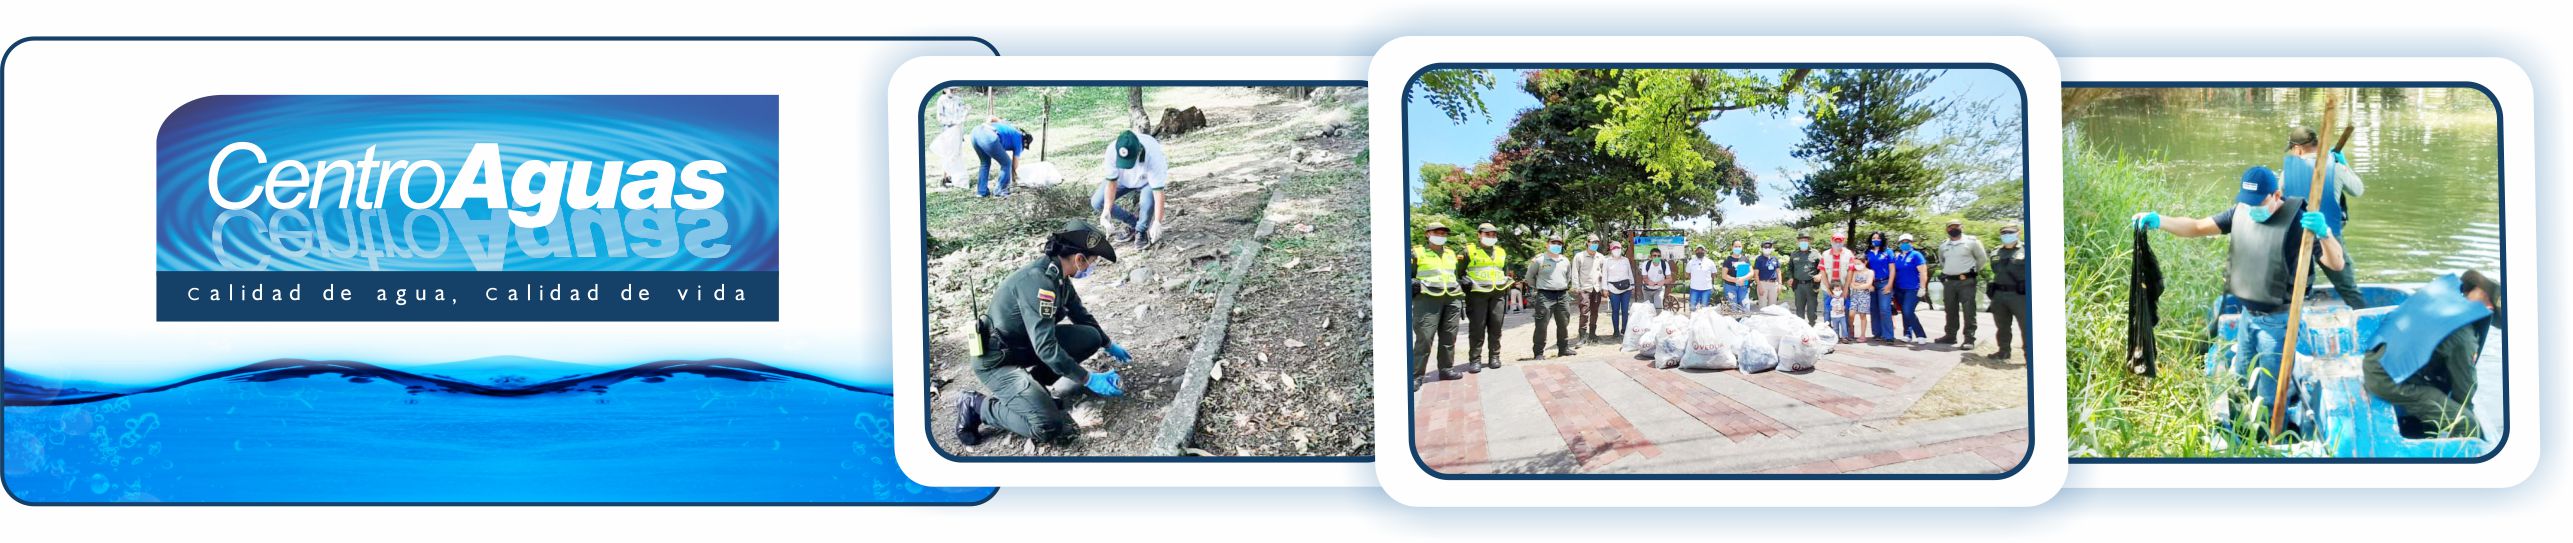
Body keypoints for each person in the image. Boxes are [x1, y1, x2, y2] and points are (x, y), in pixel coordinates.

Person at [2134, 165, 2346, 425]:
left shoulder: (2299, 223)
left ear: (2276, 195)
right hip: (2247, 317)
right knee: (2241, 381)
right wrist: (2159, 220)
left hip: (2279, 324)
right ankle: (2243, 424)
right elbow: (2198, 227)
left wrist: (2324, 234)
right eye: (2248, 202)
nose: (2252, 208)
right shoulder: (2241, 212)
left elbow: (2336, 264)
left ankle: (2271, 433)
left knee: (2269, 396)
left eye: (2259, 202)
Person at [952, 220, 1130, 446]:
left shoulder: (1059, 277)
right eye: (1092, 261)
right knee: (1047, 426)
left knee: (1090, 337)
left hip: (1023, 346)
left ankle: (1034, 389)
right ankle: (977, 405)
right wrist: (1088, 378)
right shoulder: (1039, 283)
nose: (1091, 267)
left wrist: (1107, 343)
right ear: (1079, 259)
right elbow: (1046, 348)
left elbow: (1080, 314)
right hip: (996, 361)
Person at [2360, 270, 2501, 438]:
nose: (2489, 307)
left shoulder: (2443, 296)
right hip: (2384, 378)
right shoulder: (2463, 334)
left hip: (2379, 359)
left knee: (2441, 399)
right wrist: (2463, 411)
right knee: (2466, 422)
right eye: (2489, 301)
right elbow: (2465, 385)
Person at [2283, 127, 2370, 309]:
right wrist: (2344, 166)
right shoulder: (2336, 168)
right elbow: (2358, 190)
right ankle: (2364, 317)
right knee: (2347, 287)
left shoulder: (2286, 173)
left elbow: (2281, 201)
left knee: (2295, 287)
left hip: (2298, 236)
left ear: (2298, 149)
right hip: (2328, 237)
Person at [1408, 222, 1468, 390]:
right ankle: (1416, 375)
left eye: (1443, 233)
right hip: (1427, 299)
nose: (1440, 236)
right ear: (1427, 234)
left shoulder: (1450, 254)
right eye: (1437, 232)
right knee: (1425, 337)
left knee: (1449, 336)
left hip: (1452, 298)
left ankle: (1446, 369)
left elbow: (1454, 275)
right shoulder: (1417, 253)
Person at [1092, 130, 1169, 246]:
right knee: (1098, 202)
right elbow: (1111, 182)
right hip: (1121, 181)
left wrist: (1158, 222)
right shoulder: (1111, 150)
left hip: (1146, 181)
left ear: (1139, 152)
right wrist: (1107, 209)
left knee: (1146, 203)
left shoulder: (1153, 154)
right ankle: (1134, 223)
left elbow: (1158, 192)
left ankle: (1141, 230)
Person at [1460, 223, 1514, 372]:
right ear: (1479, 234)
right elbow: (1458, 272)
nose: (1491, 237)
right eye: (1487, 234)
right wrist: (1463, 280)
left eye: (1493, 235)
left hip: (1497, 293)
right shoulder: (1468, 251)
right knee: (1477, 327)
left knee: (1496, 326)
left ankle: (1494, 357)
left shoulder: (1501, 252)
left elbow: (1504, 271)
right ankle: (1475, 360)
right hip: (1477, 294)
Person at [1936, 219, 1990, 349]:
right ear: (1947, 230)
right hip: (1949, 282)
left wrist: (1971, 271)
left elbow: (1982, 259)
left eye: (1956, 226)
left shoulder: (1972, 242)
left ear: (1962, 227)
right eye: (1950, 227)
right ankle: (1950, 335)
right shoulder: (1944, 245)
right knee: (1950, 309)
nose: (1953, 228)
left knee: (1968, 310)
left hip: (1966, 281)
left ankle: (1969, 339)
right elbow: (1942, 261)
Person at [1525, 234, 1577, 359]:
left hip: (1562, 295)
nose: (1557, 245)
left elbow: (1568, 277)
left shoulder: (1564, 260)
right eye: (1553, 243)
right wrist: (1540, 287)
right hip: (1545, 296)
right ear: (1547, 244)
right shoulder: (1539, 260)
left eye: (1559, 244)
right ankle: (1538, 352)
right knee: (1541, 325)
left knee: (1564, 323)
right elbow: (1529, 278)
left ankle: (1563, 348)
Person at [1985, 224, 2031, 361]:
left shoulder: (2026, 249)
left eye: (2010, 232)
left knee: (2026, 326)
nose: (2006, 235)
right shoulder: (1995, 252)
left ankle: (2030, 355)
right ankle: (2003, 351)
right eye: (2004, 233)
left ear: (2018, 233)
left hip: (2020, 295)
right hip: (1999, 294)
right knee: (2002, 325)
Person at [1817, 232, 1864, 342]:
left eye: (1840, 241)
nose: (1838, 243)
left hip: (1843, 288)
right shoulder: (1825, 254)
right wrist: (1828, 288)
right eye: (1835, 241)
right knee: (1828, 310)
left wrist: (1846, 289)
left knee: (1844, 310)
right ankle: (1827, 334)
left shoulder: (1849, 254)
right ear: (1831, 241)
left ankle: (1845, 335)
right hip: (1827, 288)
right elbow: (1822, 271)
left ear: (1843, 242)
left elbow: (1850, 272)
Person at [969, 117, 1029, 198]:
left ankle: (981, 191)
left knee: (985, 163)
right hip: (988, 135)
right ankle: (1000, 191)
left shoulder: (1010, 127)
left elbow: (991, 117)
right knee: (1007, 163)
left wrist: (987, 125)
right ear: (1025, 141)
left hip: (975, 132)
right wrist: (1014, 179)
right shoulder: (1019, 139)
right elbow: (1014, 165)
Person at [1892, 233, 1931, 344]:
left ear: (1911, 243)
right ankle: (1907, 334)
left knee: (1908, 310)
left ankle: (1920, 334)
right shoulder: (1898, 257)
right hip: (1899, 288)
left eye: (1907, 242)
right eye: (1903, 242)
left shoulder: (1916, 255)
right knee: (1904, 311)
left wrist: (1923, 288)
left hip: (1913, 288)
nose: (1905, 244)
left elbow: (1923, 272)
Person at [931, 88, 973, 187]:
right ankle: (944, 178)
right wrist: (952, 122)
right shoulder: (941, 100)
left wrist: (967, 110)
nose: (953, 91)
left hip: (958, 130)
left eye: (955, 89)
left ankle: (954, 177)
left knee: (957, 153)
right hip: (948, 130)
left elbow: (962, 113)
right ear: (945, 89)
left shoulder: (958, 99)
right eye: (951, 89)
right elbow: (940, 117)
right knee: (948, 154)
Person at [1572, 235, 1607, 344]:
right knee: (1584, 312)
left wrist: (1604, 288)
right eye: (1592, 242)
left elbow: (1604, 273)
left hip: (1596, 289)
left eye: (1597, 243)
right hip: (1584, 288)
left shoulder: (1600, 257)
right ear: (1587, 243)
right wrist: (1576, 287)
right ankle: (1582, 336)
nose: (1594, 245)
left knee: (1595, 312)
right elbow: (1575, 272)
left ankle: (1592, 334)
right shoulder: (1579, 256)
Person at [1865, 232, 1897, 343]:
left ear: (1882, 239)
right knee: (1874, 309)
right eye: (1873, 238)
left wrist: (1890, 284)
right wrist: (1868, 284)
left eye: (1878, 238)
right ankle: (1877, 333)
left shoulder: (1888, 252)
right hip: (1872, 284)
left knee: (1884, 309)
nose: (1876, 240)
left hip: (1885, 282)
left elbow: (1892, 269)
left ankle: (1888, 336)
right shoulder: (1867, 253)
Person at [1602, 239, 1635, 337]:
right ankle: (1616, 331)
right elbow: (1604, 275)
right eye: (1614, 248)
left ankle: (1624, 329)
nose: (1617, 250)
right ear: (1611, 250)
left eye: (1618, 248)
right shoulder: (1606, 261)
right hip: (1612, 288)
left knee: (1625, 310)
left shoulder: (1625, 260)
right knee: (1615, 310)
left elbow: (1630, 272)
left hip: (1626, 288)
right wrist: (1605, 288)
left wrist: (1632, 285)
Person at [1789, 233, 1821, 325]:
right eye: (1801, 240)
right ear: (1798, 241)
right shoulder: (1794, 254)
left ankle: (1812, 326)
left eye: (1805, 240)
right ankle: (1801, 329)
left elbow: (1823, 267)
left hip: (1811, 285)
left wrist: (1820, 275)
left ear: (1809, 241)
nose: (1803, 242)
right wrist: (1790, 277)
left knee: (1812, 310)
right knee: (1799, 309)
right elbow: (1790, 268)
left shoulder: (1816, 253)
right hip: (1798, 286)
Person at [1638, 246, 1672, 312]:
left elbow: (1669, 278)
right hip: (1646, 289)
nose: (1657, 257)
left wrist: (1664, 281)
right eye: (1654, 255)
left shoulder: (1664, 264)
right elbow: (1644, 278)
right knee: (1648, 310)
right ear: (1651, 257)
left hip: (1659, 289)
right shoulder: (1646, 264)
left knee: (1658, 307)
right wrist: (1648, 281)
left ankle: (1658, 321)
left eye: (1659, 256)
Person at [1722, 241, 1752, 311]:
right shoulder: (1728, 260)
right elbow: (1724, 275)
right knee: (1733, 308)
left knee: (1746, 307)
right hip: (1730, 287)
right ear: (1732, 247)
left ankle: (1745, 321)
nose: (1737, 248)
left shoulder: (1745, 259)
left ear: (1742, 247)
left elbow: (1751, 272)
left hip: (1743, 287)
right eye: (1736, 246)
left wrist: (1743, 278)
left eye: (1739, 246)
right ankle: (1734, 321)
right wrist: (1736, 280)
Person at [1686, 246, 1717, 311]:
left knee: (1704, 309)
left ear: (1705, 251)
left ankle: (1703, 321)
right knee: (1692, 308)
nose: (1700, 252)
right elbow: (1687, 274)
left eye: (1702, 250)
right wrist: (1696, 279)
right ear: (1695, 252)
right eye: (1698, 250)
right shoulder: (1691, 262)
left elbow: (1714, 274)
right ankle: (1693, 320)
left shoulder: (1710, 262)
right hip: (1694, 289)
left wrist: (1706, 280)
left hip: (1706, 289)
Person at [1754, 241, 1783, 311]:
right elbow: (1756, 274)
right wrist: (1759, 286)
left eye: (1769, 247)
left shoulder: (1775, 259)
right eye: (1765, 247)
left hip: (1773, 285)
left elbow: (1778, 272)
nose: (1767, 248)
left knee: (1772, 307)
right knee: (1763, 307)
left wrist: (1780, 284)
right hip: (1763, 284)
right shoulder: (1759, 259)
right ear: (1762, 248)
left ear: (1772, 248)